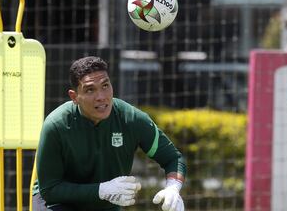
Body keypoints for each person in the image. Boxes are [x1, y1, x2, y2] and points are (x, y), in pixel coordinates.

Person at [33, 56, 187, 211]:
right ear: (74, 97)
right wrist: (101, 190)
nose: (101, 97)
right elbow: (50, 190)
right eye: (90, 89)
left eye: (105, 85)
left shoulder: (131, 119)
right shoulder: (55, 125)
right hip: (57, 203)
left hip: (106, 205)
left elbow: (173, 158)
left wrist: (173, 189)